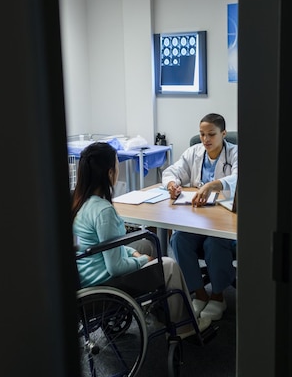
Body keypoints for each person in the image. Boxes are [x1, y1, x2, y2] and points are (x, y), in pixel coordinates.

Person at [72, 142, 211, 338]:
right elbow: (115, 268)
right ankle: (184, 326)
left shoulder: (82, 202)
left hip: (87, 273)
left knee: (145, 244)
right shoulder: (104, 211)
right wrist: (141, 260)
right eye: (118, 164)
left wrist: (133, 252)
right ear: (110, 172)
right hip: (104, 282)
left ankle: (157, 310)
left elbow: (106, 245)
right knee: (168, 264)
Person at [162, 113, 237, 321]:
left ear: (223, 133)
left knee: (214, 242)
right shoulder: (194, 152)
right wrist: (172, 184)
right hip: (196, 219)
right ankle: (200, 293)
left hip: (224, 223)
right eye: (202, 134)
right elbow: (171, 171)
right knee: (179, 240)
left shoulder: (235, 153)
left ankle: (218, 295)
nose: (205, 140)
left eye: (211, 134)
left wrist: (213, 185)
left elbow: (242, 176)